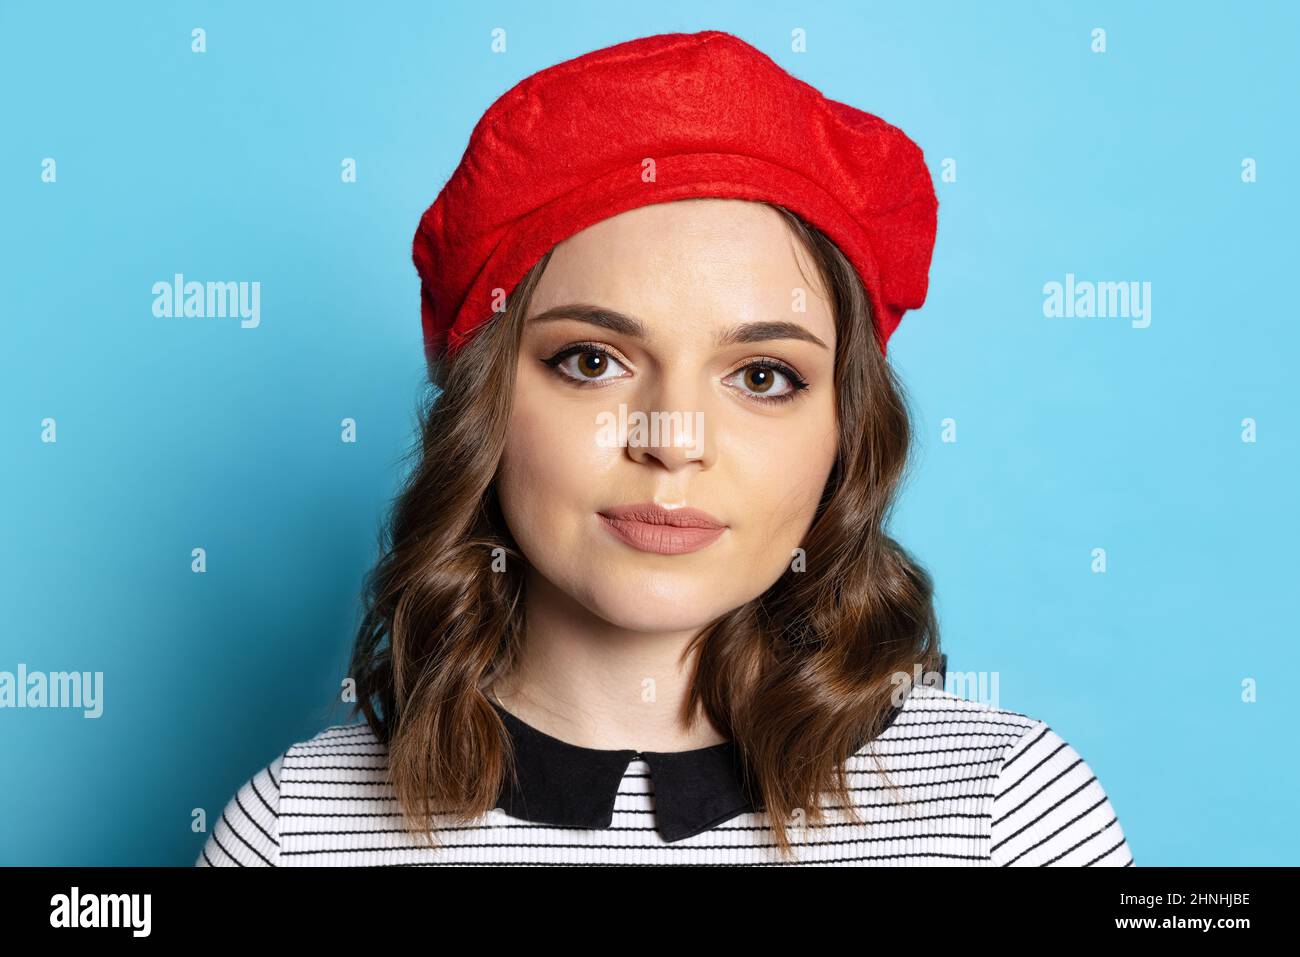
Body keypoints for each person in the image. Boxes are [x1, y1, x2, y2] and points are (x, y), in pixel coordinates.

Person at [197, 30, 1133, 867]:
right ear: (483, 404)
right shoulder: (296, 831)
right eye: (592, 359)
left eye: (763, 375)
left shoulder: (1006, 812)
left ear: (845, 432)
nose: (673, 440)